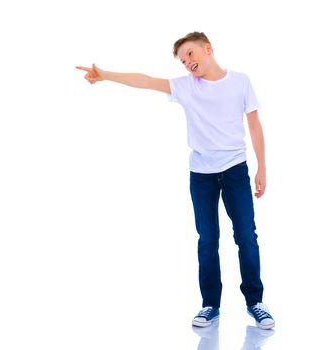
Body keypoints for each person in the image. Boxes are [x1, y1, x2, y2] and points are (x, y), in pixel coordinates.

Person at [76, 31, 275, 330]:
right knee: (207, 239)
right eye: (183, 61)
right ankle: (210, 304)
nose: (188, 63)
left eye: (191, 54)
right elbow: (144, 80)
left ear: (208, 48)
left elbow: (256, 127)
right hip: (201, 175)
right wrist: (106, 75)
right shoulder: (185, 87)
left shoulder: (241, 81)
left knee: (246, 235)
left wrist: (262, 169)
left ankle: (255, 302)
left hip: (235, 170)